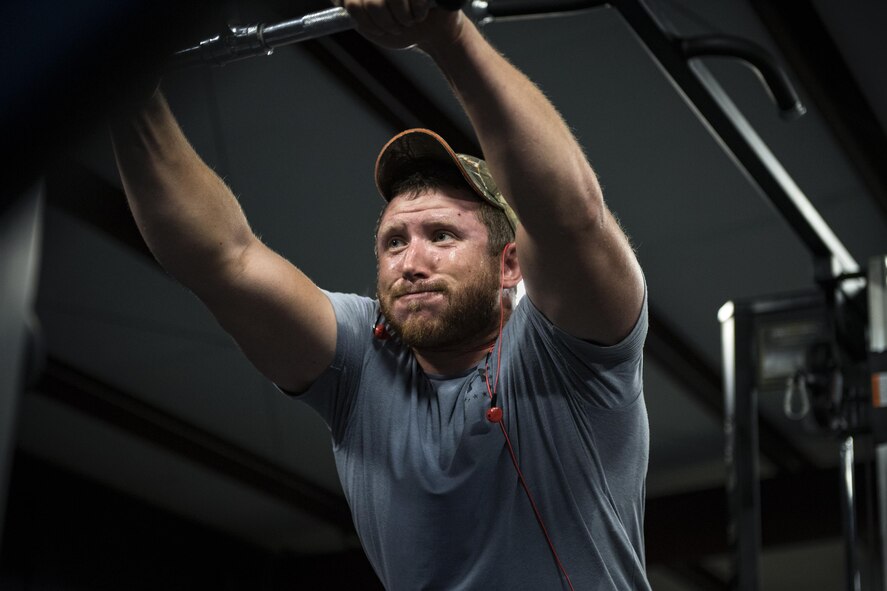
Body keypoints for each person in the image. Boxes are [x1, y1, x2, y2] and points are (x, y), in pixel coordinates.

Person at [111, 0, 649, 588]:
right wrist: (117, 88)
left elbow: (571, 220)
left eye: (441, 235)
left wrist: (447, 35)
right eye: (394, 242)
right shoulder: (362, 364)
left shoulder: (568, 352)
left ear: (509, 263)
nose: (411, 263)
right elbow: (223, 260)